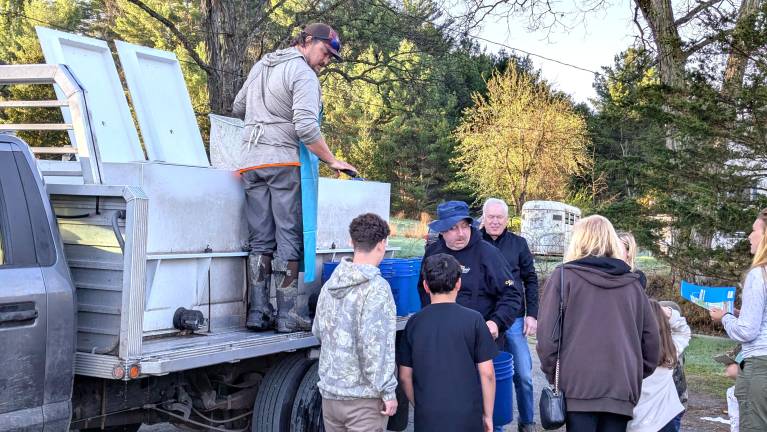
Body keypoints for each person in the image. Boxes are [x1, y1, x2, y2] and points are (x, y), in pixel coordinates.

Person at [232, 23, 357, 333]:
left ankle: (258, 311)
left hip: (250, 162)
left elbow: (238, 107)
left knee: (261, 238)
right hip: (283, 162)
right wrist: (332, 160)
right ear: (307, 41)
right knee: (289, 234)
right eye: (325, 52)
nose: (326, 61)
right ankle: (287, 314)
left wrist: (264, 119)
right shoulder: (302, 74)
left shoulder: (263, 64)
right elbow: (305, 127)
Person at [536, 215, 660, 432]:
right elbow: (651, 343)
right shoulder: (632, 285)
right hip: (620, 388)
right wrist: (632, 374)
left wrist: (555, 373)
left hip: (578, 386)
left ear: (578, 240)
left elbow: (547, 339)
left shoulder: (564, 278)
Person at [312, 213, 398, 431]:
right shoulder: (377, 289)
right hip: (363, 403)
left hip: (331, 398)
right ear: (382, 244)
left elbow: (318, 331)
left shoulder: (331, 285)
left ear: (352, 242)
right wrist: (388, 392)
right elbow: (375, 349)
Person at [399, 253, 498, 432]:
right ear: (459, 283)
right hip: (467, 416)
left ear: (425, 286)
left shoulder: (414, 323)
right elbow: (488, 373)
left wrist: (420, 406)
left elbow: (405, 376)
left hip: (428, 417)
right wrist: (488, 415)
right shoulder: (474, 320)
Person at [419, 200, 524, 344]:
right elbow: (423, 289)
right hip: (440, 335)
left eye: (464, 226)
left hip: (479, 338)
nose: (461, 233)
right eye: (453, 228)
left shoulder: (489, 254)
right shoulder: (432, 253)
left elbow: (511, 294)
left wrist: (496, 322)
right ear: (442, 230)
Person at [481, 198, 539, 432]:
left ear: (507, 219)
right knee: (490, 374)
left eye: (499, 217)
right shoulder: (474, 242)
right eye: (491, 217)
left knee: (523, 375)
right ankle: (495, 424)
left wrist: (532, 314)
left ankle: (527, 422)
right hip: (484, 319)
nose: (495, 222)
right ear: (483, 217)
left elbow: (531, 280)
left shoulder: (519, 244)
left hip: (514, 319)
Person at [710, 207, 767, 432]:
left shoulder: (759, 275)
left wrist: (725, 317)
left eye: (754, 230)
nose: (749, 236)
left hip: (760, 367)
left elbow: (747, 331)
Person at [627, 299, 691, 432]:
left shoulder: (627, 356)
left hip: (637, 423)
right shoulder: (670, 353)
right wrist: (670, 314)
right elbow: (683, 331)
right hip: (666, 418)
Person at [714, 345, 744, 432]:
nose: (725, 366)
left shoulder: (751, 390)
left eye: (729, 363)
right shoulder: (732, 391)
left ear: (742, 365)